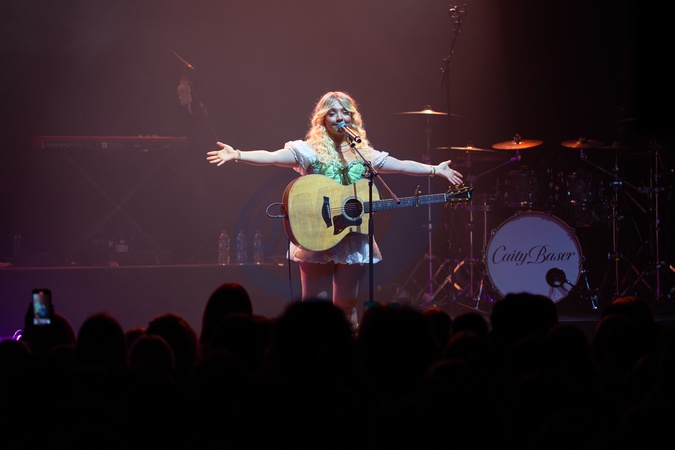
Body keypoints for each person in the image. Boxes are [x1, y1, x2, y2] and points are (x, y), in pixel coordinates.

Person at [206, 91, 464, 320]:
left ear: (353, 117)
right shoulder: (309, 151)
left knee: (347, 308)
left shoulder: (363, 153)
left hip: (352, 237)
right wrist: (237, 154)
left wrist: (435, 169)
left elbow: (401, 165)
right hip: (317, 234)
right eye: (332, 113)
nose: (340, 117)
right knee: (313, 307)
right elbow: (273, 157)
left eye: (345, 112)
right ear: (322, 119)